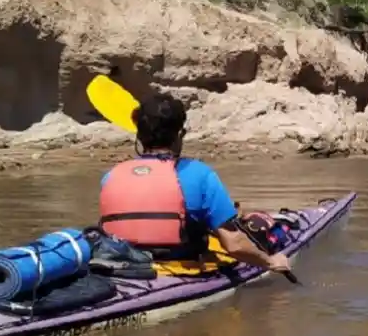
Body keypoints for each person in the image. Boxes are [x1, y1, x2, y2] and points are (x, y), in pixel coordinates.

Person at [97, 92, 291, 274]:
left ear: (139, 136)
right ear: (180, 134)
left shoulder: (111, 176)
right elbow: (234, 244)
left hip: (125, 267)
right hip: (180, 268)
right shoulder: (199, 175)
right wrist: (271, 262)